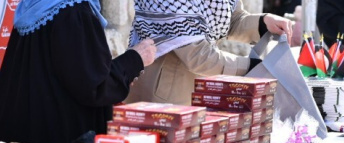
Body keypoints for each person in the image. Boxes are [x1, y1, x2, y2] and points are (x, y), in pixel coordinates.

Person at [0, 0, 156, 143]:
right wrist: (135, 59)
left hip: (24, 137)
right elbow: (94, 85)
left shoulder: (38, 5)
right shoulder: (73, 12)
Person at [126, 0, 294, 104]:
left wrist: (263, 22)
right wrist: (253, 67)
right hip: (162, 94)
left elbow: (230, 19)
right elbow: (199, 57)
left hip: (197, 88)